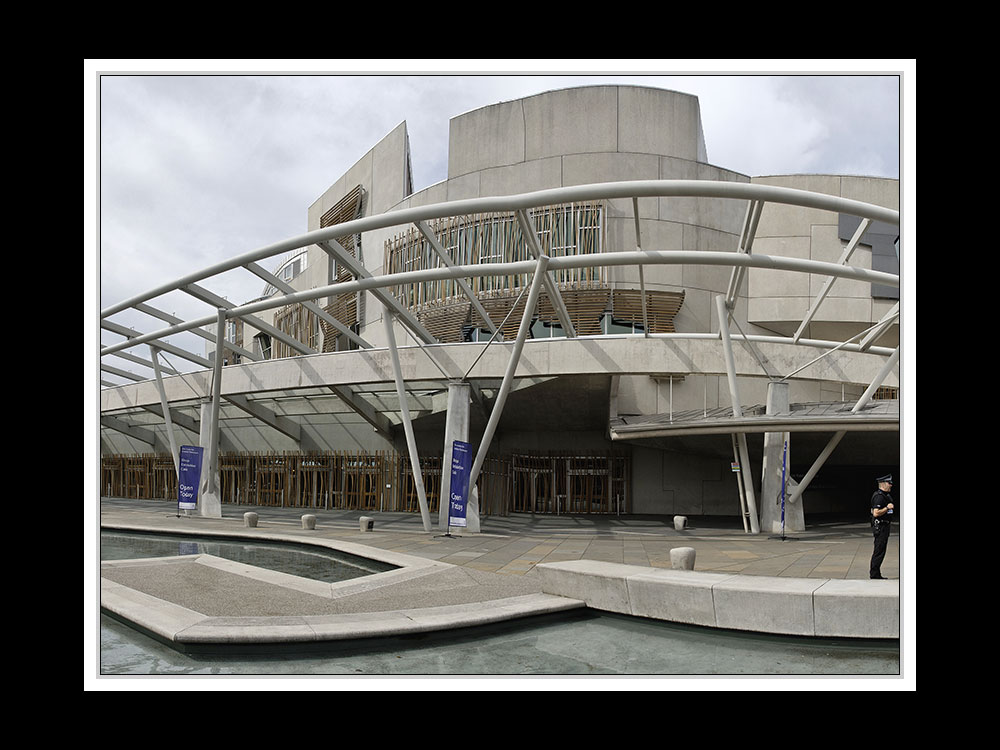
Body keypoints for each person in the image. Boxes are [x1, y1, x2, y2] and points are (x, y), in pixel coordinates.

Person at [869, 473, 895, 579]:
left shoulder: (885, 495)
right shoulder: (879, 497)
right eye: (889, 483)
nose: (891, 485)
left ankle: (876, 573)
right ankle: (875, 574)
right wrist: (887, 508)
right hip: (881, 527)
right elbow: (876, 513)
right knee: (879, 551)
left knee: (881, 550)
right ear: (883, 484)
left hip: (885, 526)